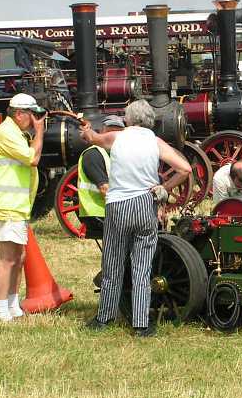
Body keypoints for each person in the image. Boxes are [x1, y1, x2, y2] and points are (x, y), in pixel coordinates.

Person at [82, 100, 191, 337]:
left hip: (118, 204)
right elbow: (185, 169)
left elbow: (92, 139)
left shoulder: (117, 137)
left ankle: (104, 318)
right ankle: (141, 324)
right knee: (142, 267)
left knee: (113, 263)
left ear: (128, 119)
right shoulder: (156, 141)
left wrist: (87, 129)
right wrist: (164, 186)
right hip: (145, 204)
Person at [0, 93, 46, 322]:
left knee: (19, 256)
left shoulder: (15, 132)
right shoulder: (6, 133)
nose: (35, 119)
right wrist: (40, 132)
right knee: (7, 258)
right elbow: (33, 158)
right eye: (32, 114)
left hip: (15, 205)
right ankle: (1, 310)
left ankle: (13, 305)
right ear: (19, 114)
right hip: (4, 205)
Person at [77, 115, 125, 237]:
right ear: (102, 132)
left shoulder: (117, 153)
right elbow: (105, 189)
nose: (114, 136)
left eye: (118, 133)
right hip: (99, 214)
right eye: (110, 132)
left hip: (110, 211)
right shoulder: (93, 154)